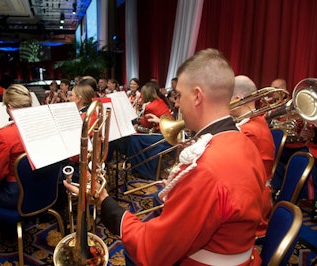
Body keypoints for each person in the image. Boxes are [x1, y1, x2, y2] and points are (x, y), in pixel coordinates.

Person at [64, 48, 266, 265]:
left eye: (178, 96)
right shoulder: (243, 141)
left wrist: (103, 201)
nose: (176, 104)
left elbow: (151, 251)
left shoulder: (205, 168)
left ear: (197, 96)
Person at [0, 84, 32, 235]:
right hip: (43, 188)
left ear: (9, 107)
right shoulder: (40, 126)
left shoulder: (4, 135)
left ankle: (4, 229)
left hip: (17, 193)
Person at [230, 75, 275, 238]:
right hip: (254, 194)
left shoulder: (248, 131)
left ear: (237, 99)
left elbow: (227, 171)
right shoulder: (258, 120)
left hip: (250, 205)